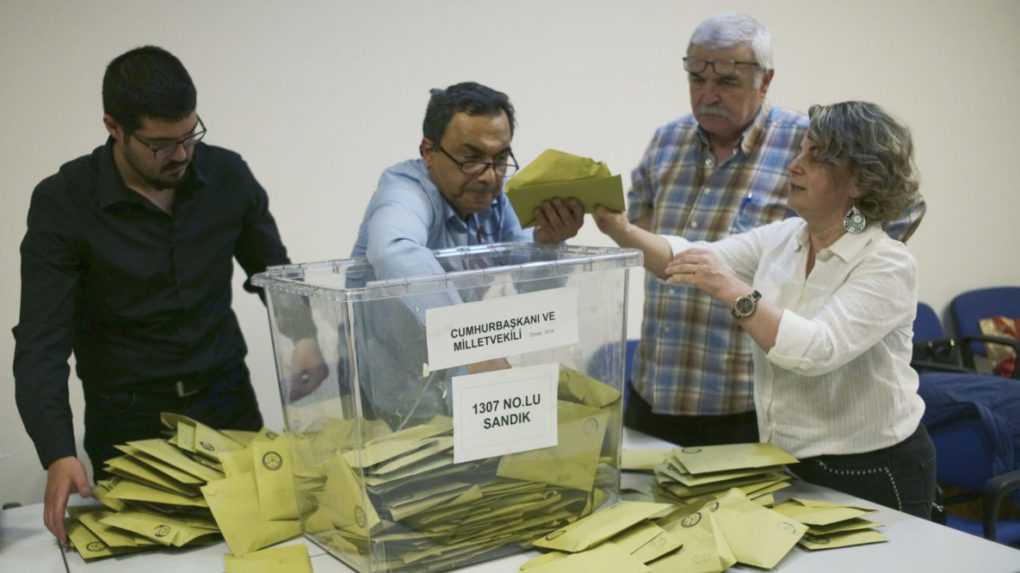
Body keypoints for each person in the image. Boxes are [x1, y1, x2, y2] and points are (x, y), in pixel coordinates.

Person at [13, 46, 326, 544]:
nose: (180, 155)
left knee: (257, 546)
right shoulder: (64, 201)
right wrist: (56, 451)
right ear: (114, 127)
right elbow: (41, 341)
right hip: (131, 424)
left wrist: (304, 337)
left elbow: (273, 273)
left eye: (190, 135)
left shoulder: (228, 176)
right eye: (160, 144)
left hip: (227, 406)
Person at [596, 101, 936, 518]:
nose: (794, 166)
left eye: (815, 158)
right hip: (790, 460)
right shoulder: (787, 237)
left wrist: (733, 291)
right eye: (799, 151)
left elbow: (816, 351)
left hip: (873, 468)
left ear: (860, 181)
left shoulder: (887, 261)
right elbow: (682, 259)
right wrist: (620, 229)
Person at [625, 13, 926, 447]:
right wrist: (614, 227)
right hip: (664, 384)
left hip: (749, 401)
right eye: (695, 78)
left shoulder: (810, 137)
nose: (707, 94)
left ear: (764, 81)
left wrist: (839, 262)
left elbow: (819, 346)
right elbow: (681, 248)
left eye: (726, 82)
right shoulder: (670, 144)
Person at [348, 81, 584, 428]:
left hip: (461, 386)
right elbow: (393, 251)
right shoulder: (404, 189)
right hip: (396, 396)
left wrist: (547, 245)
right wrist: (472, 346)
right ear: (429, 151)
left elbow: (532, 288)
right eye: (471, 158)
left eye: (500, 159)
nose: (489, 177)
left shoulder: (494, 201)